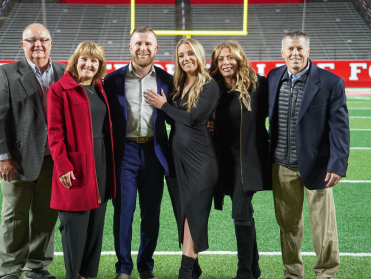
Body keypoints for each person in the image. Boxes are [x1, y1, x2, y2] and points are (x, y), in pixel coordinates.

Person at [267, 31, 349, 279]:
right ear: (282, 52)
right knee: (288, 225)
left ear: (308, 51)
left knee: (323, 227)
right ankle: (293, 272)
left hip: (318, 166)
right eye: (290, 49)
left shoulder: (330, 82)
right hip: (282, 164)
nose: (295, 53)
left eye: (300, 49)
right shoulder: (273, 77)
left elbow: (340, 128)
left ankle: (325, 273)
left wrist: (337, 164)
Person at [0, 23, 66, 279]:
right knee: (14, 217)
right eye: (31, 40)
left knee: (46, 217)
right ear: (23, 45)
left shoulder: (65, 73)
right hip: (18, 160)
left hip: (54, 162)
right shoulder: (7, 73)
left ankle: (37, 267)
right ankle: (9, 270)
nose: (38, 44)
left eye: (43, 40)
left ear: (51, 43)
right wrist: (3, 156)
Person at [145, 38, 219, 279]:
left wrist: (164, 105)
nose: (186, 58)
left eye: (190, 53)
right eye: (181, 55)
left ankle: (185, 272)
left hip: (200, 161)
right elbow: (174, 119)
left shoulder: (209, 85)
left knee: (194, 214)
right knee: (184, 214)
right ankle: (194, 269)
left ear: (198, 55)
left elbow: (193, 119)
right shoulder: (178, 84)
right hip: (177, 161)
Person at [103, 26, 173, 279]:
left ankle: (145, 265)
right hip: (126, 151)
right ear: (130, 47)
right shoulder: (112, 80)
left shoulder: (167, 80)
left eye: (148, 44)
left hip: (155, 151)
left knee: (151, 213)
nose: (143, 48)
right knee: (124, 212)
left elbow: (177, 116)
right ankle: (123, 268)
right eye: (138, 44)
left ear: (156, 49)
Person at [47, 41, 116, 279]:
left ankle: (88, 275)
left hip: (101, 160)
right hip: (76, 162)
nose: (88, 64)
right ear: (75, 61)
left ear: (100, 65)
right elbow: (54, 132)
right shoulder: (59, 89)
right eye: (84, 59)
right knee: (75, 225)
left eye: (94, 61)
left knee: (96, 225)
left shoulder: (101, 88)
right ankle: (73, 275)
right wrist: (63, 165)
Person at [209, 40, 271, 279]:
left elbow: (272, 116)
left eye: (230, 57)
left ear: (239, 59)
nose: (226, 63)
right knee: (245, 213)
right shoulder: (214, 89)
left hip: (250, 161)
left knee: (240, 213)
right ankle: (254, 269)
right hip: (227, 162)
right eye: (220, 59)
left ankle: (244, 271)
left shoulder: (258, 85)